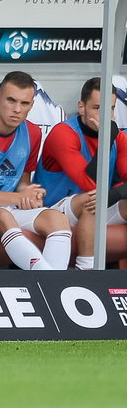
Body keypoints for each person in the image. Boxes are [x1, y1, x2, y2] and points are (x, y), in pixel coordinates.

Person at [0, 71, 72, 270]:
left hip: (9, 206)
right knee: (3, 216)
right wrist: (16, 199)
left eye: (24, 104)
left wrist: (30, 194)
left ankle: (52, 282)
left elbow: (21, 182)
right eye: (11, 100)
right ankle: (51, 284)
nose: (17, 109)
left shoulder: (33, 133)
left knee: (57, 220)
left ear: (31, 105)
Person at [37, 77, 127, 270]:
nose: (105, 115)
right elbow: (88, 183)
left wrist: (116, 194)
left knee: (98, 200)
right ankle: (87, 271)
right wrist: (106, 139)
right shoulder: (64, 132)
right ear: (81, 107)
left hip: (95, 205)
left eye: (110, 109)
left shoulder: (118, 137)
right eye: (97, 108)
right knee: (92, 199)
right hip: (54, 208)